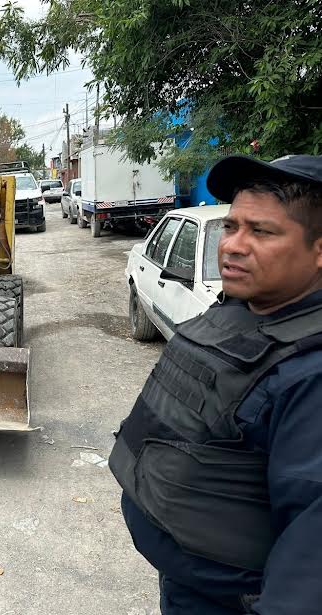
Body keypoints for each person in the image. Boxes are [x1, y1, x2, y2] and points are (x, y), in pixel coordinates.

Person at [109, 154, 322, 614]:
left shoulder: (310, 372)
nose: (232, 246)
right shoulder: (244, 310)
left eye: (261, 232)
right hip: (188, 579)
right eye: (231, 226)